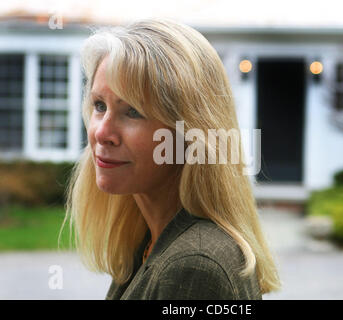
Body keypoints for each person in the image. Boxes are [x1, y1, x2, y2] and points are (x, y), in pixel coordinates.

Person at [62, 18, 281, 300]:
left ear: (190, 133)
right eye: (99, 105)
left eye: (133, 112)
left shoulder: (196, 266)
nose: (102, 133)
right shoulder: (148, 243)